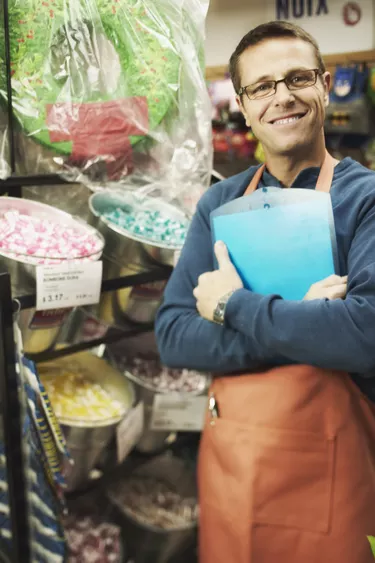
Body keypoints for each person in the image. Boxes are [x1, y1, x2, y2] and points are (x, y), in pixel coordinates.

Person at [155, 21, 375, 563]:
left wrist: (234, 307)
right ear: (245, 106)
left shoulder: (365, 200)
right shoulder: (220, 205)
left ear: (325, 85)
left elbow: (365, 336)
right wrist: (308, 324)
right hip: (235, 467)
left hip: (337, 465)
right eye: (262, 86)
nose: (283, 96)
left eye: (298, 77)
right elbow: (174, 335)